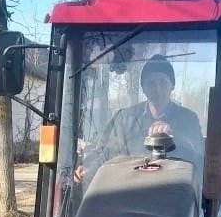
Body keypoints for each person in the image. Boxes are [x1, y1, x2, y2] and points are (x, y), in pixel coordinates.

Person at [74, 54, 204, 185]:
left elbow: (197, 157)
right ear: (144, 88)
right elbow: (108, 152)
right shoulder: (125, 118)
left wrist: (172, 135)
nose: (157, 88)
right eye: (151, 83)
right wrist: (90, 169)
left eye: (163, 82)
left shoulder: (188, 119)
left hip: (172, 192)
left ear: (172, 85)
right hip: (129, 190)